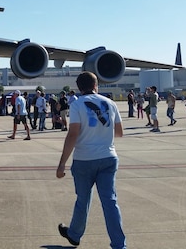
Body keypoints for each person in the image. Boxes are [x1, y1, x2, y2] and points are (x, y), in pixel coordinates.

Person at [56, 71, 126, 249]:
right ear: (96, 86)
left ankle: (75, 234)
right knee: (110, 202)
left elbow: (73, 134)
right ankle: (119, 244)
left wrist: (62, 163)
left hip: (84, 159)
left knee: (83, 199)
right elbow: (119, 133)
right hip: (108, 157)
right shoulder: (110, 103)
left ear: (78, 88)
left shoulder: (77, 104)